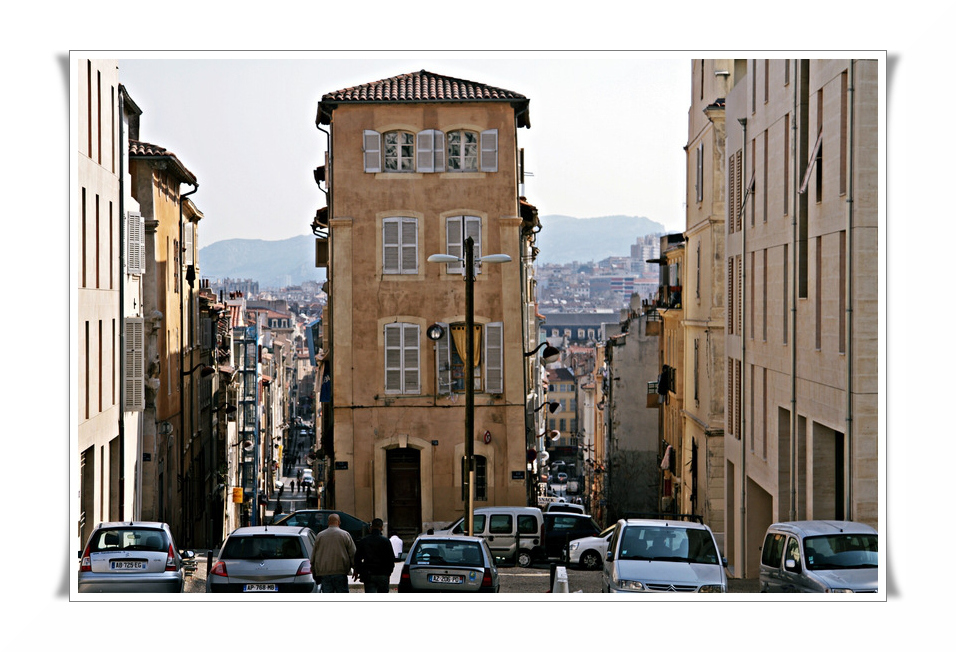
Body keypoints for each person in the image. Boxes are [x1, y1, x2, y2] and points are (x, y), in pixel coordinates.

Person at [310, 513, 355, 593]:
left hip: (324, 572)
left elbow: (314, 555)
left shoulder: (320, 536)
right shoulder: (345, 534)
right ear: (339, 522)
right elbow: (353, 553)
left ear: (328, 522)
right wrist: (355, 568)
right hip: (340, 571)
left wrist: (314, 569)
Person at [352, 518, 395, 593]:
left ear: (371, 527)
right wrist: (389, 572)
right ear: (381, 528)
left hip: (369, 573)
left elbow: (357, 558)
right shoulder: (386, 541)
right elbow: (391, 559)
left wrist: (359, 570)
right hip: (382, 573)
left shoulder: (364, 541)